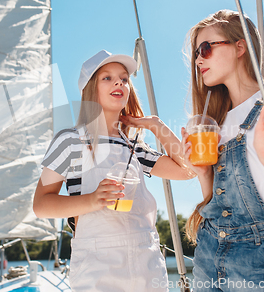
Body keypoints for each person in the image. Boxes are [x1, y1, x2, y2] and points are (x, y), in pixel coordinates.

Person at [33, 50, 194, 292]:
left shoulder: (135, 147)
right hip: (97, 268)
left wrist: (156, 126)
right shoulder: (69, 141)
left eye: (124, 79)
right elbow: (41, 205)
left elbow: (187, 170)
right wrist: (92, 200)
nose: (119, 81)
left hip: (146, 264)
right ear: (90, 90)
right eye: (107, 78)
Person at [182, 10, 264, 292]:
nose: (199, 59)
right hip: (208, 251)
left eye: (206, 48)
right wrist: (203, 173)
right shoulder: (216, 121)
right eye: (196, 53)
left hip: (260, 257)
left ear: (240, 46)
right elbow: (216, 206)